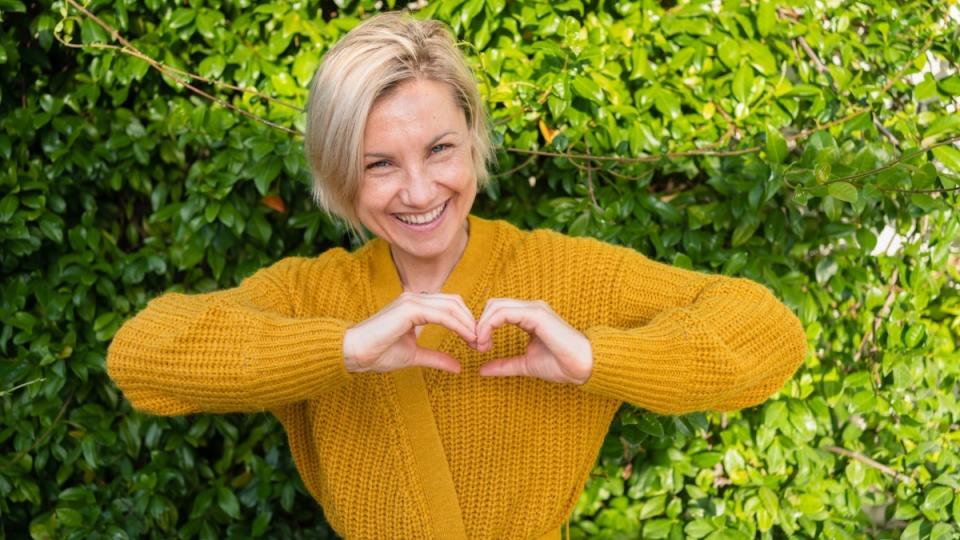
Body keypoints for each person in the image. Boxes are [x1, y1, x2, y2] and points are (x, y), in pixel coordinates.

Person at [106, 12, 807, 540]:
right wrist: (344, 350)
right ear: (339, 175)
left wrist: (597, 360)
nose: (418, 191)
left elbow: (769, 335)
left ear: (473, 137)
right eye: (380, 163)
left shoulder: (566, 277)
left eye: (440, 149)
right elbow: (143, 356)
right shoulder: (312, 296)